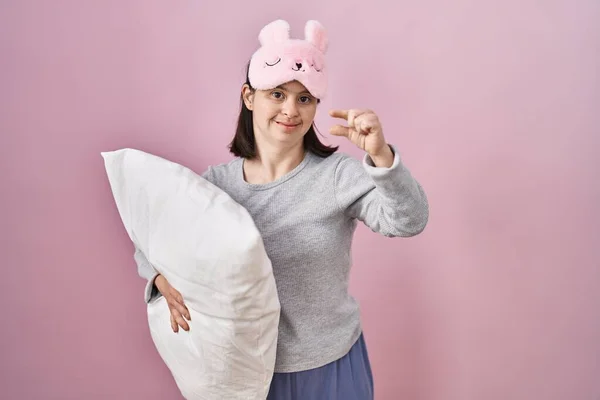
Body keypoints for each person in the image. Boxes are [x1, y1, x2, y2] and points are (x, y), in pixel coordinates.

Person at [134, 19, 428, 400]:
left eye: (304, 98)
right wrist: (159, 279)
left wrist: (381, 156)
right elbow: (150, 243)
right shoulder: (215, 186)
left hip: (331, 366)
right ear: (249, 96)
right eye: (277, 94)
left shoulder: (337, 176)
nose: (291, 110)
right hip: (245, 372)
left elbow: (409, 221)